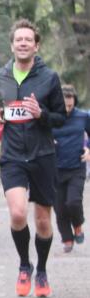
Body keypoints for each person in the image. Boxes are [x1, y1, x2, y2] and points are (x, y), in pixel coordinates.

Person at [0, 18, 66, 297]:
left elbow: (60, 117)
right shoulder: (0, 76)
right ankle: (25, 265)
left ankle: (42, 270)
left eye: (28, 40)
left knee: (43, 221)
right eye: (18, 40)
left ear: (36, 46)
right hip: (12, 155)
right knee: (18, 212)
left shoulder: (49, 78)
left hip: (43, 155)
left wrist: (41, 114)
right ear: (12, 45)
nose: (23, 43)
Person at [52, 84, 90, 252]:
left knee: (73, 202)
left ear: (74, 101)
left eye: (70, 103)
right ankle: (67, 239)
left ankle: (78, 224)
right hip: (55, 169)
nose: (67, 107)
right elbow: (38, 137)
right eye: (63, 104)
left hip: (76, 166)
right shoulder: (51, 118)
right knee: (60, 208)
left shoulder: (83, 116)